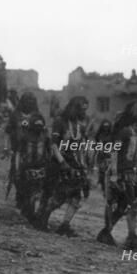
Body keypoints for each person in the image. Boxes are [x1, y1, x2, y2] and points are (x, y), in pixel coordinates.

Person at [96, 100, 137, 250]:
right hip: (122, 173)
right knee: (131, 205)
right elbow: (114, 152)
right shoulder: (125, 131)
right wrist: (114, 175)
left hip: (131, 173)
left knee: (122, 206)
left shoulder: (135, 130)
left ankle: (106, 233)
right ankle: (131, 238)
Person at [39, 96, 91, 236]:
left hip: (74, 163)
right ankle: (42, 219)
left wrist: (83, 165)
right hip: (58, 161)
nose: (84, 112)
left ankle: (65, 225)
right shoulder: (60, 122)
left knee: (77, 196)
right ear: (75, 108)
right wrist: (62, 163)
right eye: (82, 109)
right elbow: (54, 145)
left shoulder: (80, 125)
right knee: (59, 196)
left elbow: (80, 147)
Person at [3, 92, 41, 210]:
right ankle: (20, 197)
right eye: (27, 100)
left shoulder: (38, 116)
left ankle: (28, 199)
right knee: (17, 174)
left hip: (33, 152)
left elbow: (42, 134)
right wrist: (6, 148)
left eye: (31, 101)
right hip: (18, 150)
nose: (29, 103)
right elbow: (8, 132)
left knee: (32, 176)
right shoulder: (15, 115)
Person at [14, 112, 51, 226]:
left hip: (41, 168)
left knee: (37, 193)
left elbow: (49, 152)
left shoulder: (45, 137)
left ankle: (34, 215)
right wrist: (17, 169)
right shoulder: (25, 137)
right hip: (27, 168)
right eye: (37, 124)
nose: (39, 126)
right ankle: (29, 214)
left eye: (41, 124)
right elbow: (19, 153)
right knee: (28, 193)